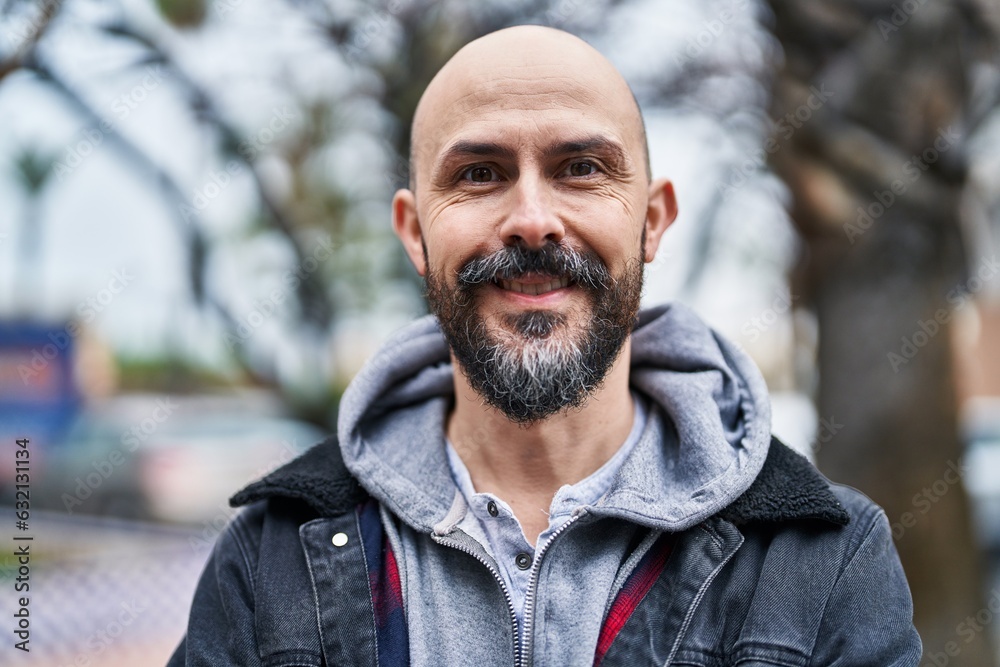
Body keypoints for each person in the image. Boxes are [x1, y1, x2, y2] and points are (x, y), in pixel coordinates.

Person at [169, 25, 921, 666]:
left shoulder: (825, 559)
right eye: (480, 174)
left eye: (581, 168)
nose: (533, 219)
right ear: (414, 234)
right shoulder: (267, 559)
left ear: (652, 220)